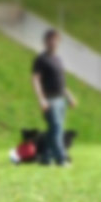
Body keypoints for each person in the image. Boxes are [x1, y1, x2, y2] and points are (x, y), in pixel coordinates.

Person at [31, 29, 77, 166]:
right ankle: (61, 159)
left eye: (56, 40)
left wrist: (69, 97)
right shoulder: (41, 59)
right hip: (49, 100)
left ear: (59, 42)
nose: (53, 42)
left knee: (54, 130)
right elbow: (35, 80)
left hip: (61, 100)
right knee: (57, 128)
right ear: (45, 42)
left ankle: (46, 157)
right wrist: (41, 99)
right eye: (50, 39)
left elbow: (61, 83)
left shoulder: (58, 60)